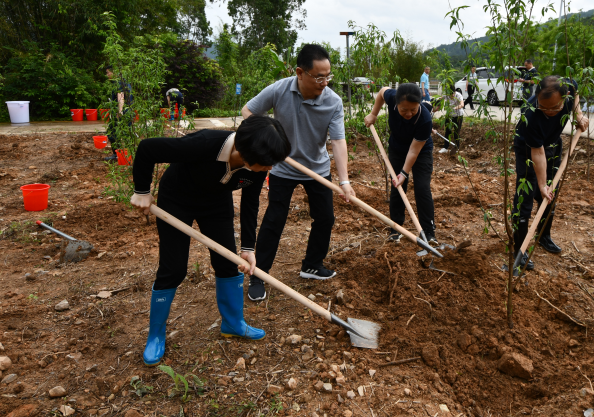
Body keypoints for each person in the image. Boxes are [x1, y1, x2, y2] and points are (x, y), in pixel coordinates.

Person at [129, 116, 292, 366]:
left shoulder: (259, 163)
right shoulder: (203, 144)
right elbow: (147, 148)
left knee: (228, 263)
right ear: (244, 153)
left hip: (216, 204)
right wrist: (142, 190)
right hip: (177, 200)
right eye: (266, 165)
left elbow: (250, 202)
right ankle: (155, 335)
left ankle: (233, 323)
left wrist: (248, 248)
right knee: (173, 269)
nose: (270, 169)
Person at [241, 44, 356, 301]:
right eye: (319, 77)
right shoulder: (280, 89)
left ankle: (312, 265)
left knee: (325, 218)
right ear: (300, 73)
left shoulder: (333, 102)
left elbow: (338, 142)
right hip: (283, 167)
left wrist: (344, 180)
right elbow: (248, 111)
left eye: (328, 76)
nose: (324, 82)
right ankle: (259, 274)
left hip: (317, 167)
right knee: (274, 219)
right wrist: (267, 139)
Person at [511, 76, 588, 271]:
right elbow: (537, 153)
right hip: (529, 149)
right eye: (544, 107)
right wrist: (542, 184)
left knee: (550, 195)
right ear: (537, 97)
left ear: (565, 97)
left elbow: (576, 92)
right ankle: (519, 246)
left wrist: (578, 114)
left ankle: (544, 236)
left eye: (555, 108)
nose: (549, 112)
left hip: (552, 143)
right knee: (526, 195)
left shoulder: (569, 91)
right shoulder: (529, 114)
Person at [364, 83, 437, 245]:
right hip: (397, 149)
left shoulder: (424, 120)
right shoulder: (391, 97)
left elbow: (413, 151)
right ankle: (395, 229)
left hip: (420, 152)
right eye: (404, 110)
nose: (409, 113)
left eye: (413, 109)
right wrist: (373, 114)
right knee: (397, 187)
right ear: (396, 103)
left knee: (422, 187)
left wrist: (404, 173)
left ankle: (429, 232)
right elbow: (382, 91)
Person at [104, 66, 133, 162]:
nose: (107, 75)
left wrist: (120, 112)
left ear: (115, 72)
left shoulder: (119, 83)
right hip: (128, 112)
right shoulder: (125, 82)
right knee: (127, 134)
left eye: (108, 72)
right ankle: (128, 156)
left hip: (123, 112)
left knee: (112, 133)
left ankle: (117, 155)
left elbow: (121, 96)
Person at [438, 85, 464, 154]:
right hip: (449, 116)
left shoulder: (458, 95)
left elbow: (462, 104)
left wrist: (455, 108)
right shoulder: (446, 95)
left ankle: (457, 148)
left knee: (456, 132)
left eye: (452, 94)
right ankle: (445, 147)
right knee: (447, 131)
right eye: (449, 94)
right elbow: (440, 99)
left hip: (458, 116)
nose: (451, 96)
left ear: (454, 92)